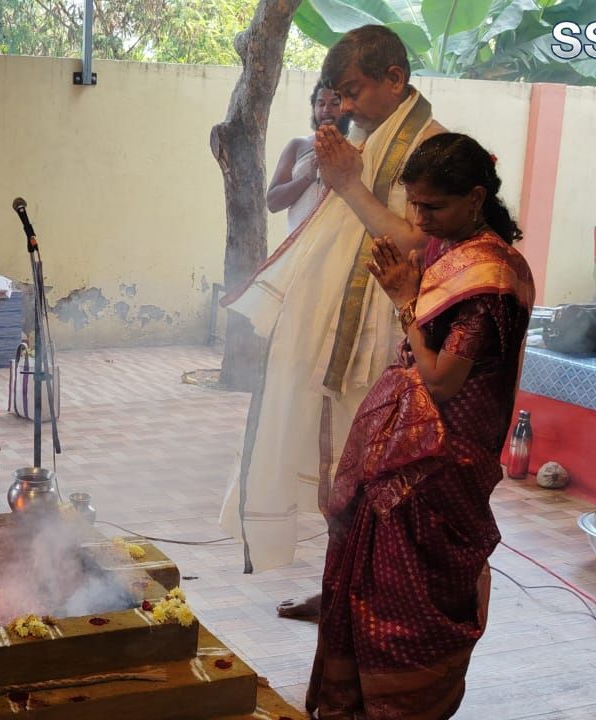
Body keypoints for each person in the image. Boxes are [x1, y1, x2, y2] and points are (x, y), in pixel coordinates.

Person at [218, 25, 447, 616]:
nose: (343, 106)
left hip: (389, 334)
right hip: (338, 331)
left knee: (377, 475)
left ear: (395, 78)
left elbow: (417, 243)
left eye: (352, 90)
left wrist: (346, 184)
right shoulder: (366, 139)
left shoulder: (433, 148)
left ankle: (373, 597)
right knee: (337, 469)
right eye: (337, 94)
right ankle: (340, 590)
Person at [306, 133, 534, 719]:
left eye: (432, 207)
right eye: (415, 204)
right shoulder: (455, 246)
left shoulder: (489, 279)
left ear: (475, 198)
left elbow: (440, 380)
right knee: (367, 580)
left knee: (405, 600)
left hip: (438, 464)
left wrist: (405, 300)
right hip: (406, 447)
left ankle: (403, 706)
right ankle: (355, 702)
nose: (420, 219)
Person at [266, 80, 350, 232]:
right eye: (321, 103)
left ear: (346, 107)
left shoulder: (357, 146)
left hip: (341, 240)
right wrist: (307, 177)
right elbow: (272, 203)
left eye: (334, 103)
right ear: (314, 108)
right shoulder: (298, 146)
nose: (326, 109)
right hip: (300, 242)